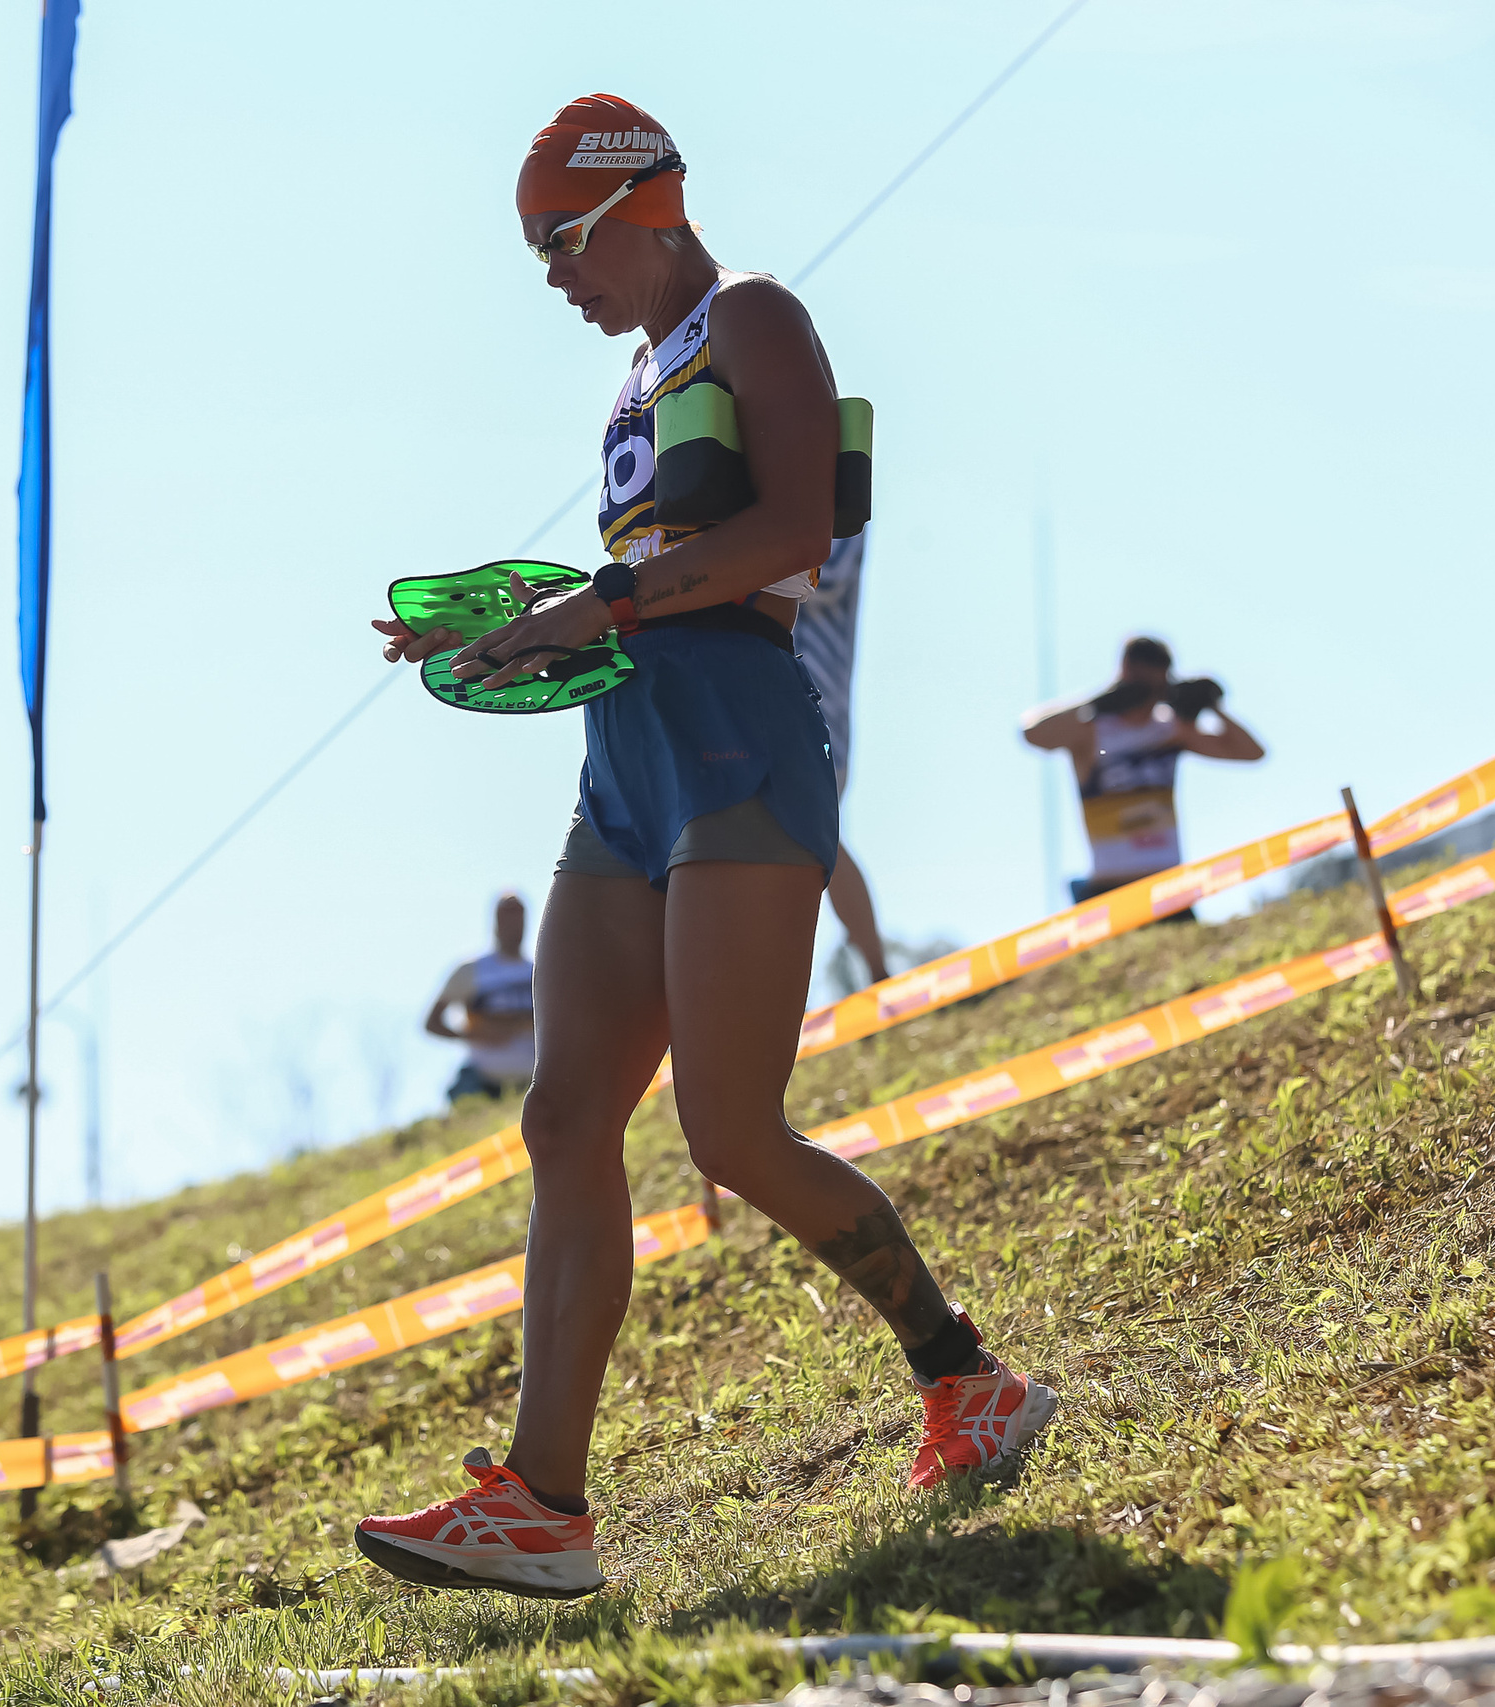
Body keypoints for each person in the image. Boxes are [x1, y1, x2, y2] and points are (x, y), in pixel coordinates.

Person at [358, 93, 1054, 1601]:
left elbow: (794, 536)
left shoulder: (755, 315)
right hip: (628, 754)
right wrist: (492, 622)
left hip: (740, 738)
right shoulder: (632, 374)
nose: (550, 269)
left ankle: (964, 1375)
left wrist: (598, 606)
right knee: (561, 1112)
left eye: (563, 235)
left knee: (731, 1132)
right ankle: (544, 1500)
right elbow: (646, 563)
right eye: (534, 247)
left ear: (644, 200)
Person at [1019, 637, 1265, 909]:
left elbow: (1252, 753)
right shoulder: (1092, 731)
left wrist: (1213, 707)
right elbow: (1032, 732)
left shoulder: (1171, 730)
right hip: (1109, 888)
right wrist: (1100, 700)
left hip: (1168, 888)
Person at [794, 530, 890, 985]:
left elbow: (817, 581)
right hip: (759, 704)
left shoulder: (842, 515)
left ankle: (878, 972)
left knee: (817, 837)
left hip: (816, 709)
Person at [427, 892, 538, 1101]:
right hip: (481, 1082)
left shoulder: (540, 972)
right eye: (506, 913)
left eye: (518, 913)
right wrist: (474, 1035)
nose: (513, 921)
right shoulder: (471, 970)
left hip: (532, 1085)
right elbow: (432, 1023)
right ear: (495, 920)